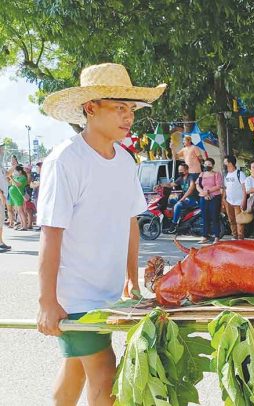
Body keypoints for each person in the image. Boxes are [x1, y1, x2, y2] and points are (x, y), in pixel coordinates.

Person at [36, 62, 165, 404]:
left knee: (77, 370)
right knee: (105, 374)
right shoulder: (65, 161)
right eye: (119, 108)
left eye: (131, 108)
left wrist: (131, 278)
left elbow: (130, 221)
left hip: (107, 291)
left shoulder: (125, 161)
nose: (129, 117)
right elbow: (52, 233)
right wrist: (47, 301)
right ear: (90, 108)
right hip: (76, 297)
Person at [165, 163, 199, 232]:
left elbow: (191, 189)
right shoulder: (181, 178)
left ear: (187, 170)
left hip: (193, 199)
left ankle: (174, 225)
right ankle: (178, 217)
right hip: (186, 199)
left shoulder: (191, 177)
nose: (180, 172)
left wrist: (182, 198)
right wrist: (161, 185)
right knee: (170, 201)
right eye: (179, 170)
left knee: (178, 205)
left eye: (181, 170)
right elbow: (171, 184)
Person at [196, 157, 223, 244]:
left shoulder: (217, 174)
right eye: (206, 164)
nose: (207, 166)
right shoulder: (201, 174)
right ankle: (205, 236)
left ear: (213, 165)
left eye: (209, 164)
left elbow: (219, 186)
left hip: (214, 197)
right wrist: (203, 193)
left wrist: (208, 192)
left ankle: (217, 237)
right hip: (203, 197)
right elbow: (197, 185)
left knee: (215, 217)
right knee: (205, 217)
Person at [223, 155, 247, 240]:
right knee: (231, 220)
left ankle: (240, 238)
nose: (224, 163)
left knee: (239, 221)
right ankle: (234, 236)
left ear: (230, 163)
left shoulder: (240, 174)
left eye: (226, 161)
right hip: (229, 201)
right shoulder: (226, 175)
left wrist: (244, 200)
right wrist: (224, 199)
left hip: (238, 202)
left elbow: (244, 188)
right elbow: (226, 188)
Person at [8, 164, 30, 231]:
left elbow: (18, 184)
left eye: (15, 171)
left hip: (18, 195)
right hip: (14, 196)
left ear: (20, 171)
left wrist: (11, 178)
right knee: (18, 211)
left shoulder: (23, 177)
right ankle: (22, 224)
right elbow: (10, 184)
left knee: (21, 211)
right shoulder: (16, 177)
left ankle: (25, 226)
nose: (14, 173)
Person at [0, 159, 9, 252]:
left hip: (3, 196)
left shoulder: (1, 165)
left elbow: (7, 174)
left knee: (1, 220)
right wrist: (1, 193)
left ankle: (1, 242)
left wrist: (14, 166)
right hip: (1, 195)